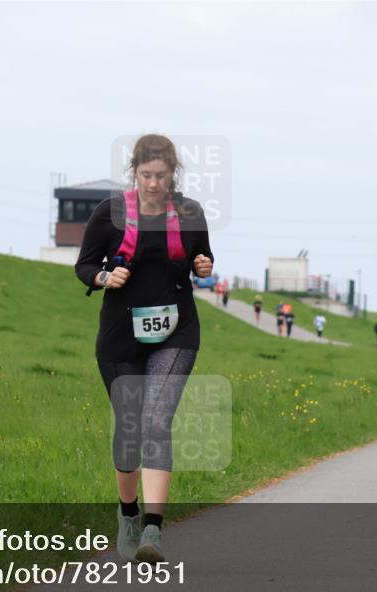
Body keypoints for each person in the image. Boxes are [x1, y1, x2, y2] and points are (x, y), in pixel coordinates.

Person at [75, 134, 213, 564]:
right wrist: (102, 278)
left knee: (156, 420)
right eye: (146, 175)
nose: (153, 183)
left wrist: (204, 265)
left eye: (162, 175)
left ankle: (154, 529)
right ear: (134, 172)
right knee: (130, 429)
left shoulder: (189, 212)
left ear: (174, 173)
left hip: (176, 331)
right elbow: (84, 265)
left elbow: (202, 257)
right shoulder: (109, 212)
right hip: (120, 334)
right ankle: (129, 513)